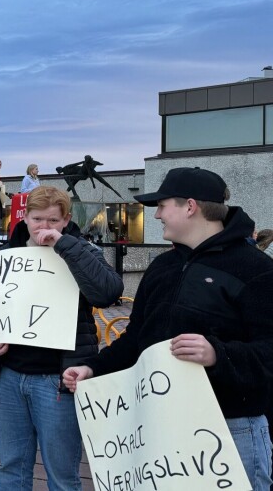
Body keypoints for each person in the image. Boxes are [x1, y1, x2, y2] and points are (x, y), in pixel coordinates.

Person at [63, 167, 273, 490]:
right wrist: (93, 368)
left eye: (162, 205)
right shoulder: (162, 267)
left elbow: (267, 352)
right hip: (163, 427)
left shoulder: (256, 269)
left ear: (190, 207)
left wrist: (217, 354)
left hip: (232, 431)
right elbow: (136, 340)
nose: (157, 215)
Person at [0, 185, 122, 490]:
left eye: (53, 221)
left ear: (66, 219)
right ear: (25, 217)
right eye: (38, 219)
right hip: (9, 376)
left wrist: (65, 245)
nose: (45, 227)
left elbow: (108, 292)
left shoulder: (83, 251)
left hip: (57, 379)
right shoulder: (4, 254)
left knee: (62, 475)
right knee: (11, 467)